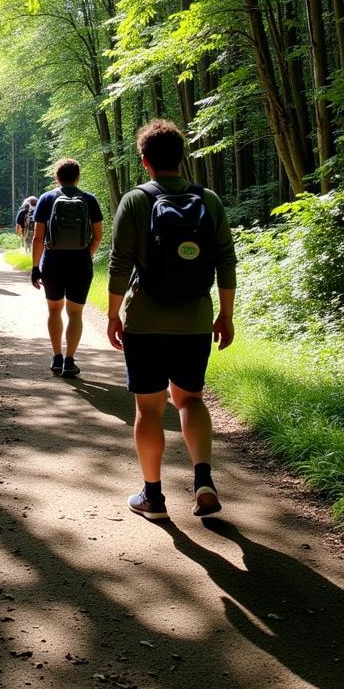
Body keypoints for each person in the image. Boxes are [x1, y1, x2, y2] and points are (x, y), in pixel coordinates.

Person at [106, 119, 236, 522]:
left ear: (145, 162)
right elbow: (226, 261)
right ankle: (203, 481)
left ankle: (153, 497)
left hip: (145, 320)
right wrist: (226, 315)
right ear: (182, 157)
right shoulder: (209, 200)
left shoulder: (135, 200)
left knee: (148, 409)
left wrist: (113, 314)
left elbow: (118, 263)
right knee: (190, 398)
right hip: (195, 319)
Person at [30, 160, 103, 378]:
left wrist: (35, 266)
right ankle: (70, 360)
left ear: (56, 177)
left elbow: (38, 237)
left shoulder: (46, 198)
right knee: (75, 313)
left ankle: (57, 357)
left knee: (54, 310)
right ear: (78, 177)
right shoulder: (89, 199)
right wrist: (87, 254)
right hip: (80, 263)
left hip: (52, 262)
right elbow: (98, 235)